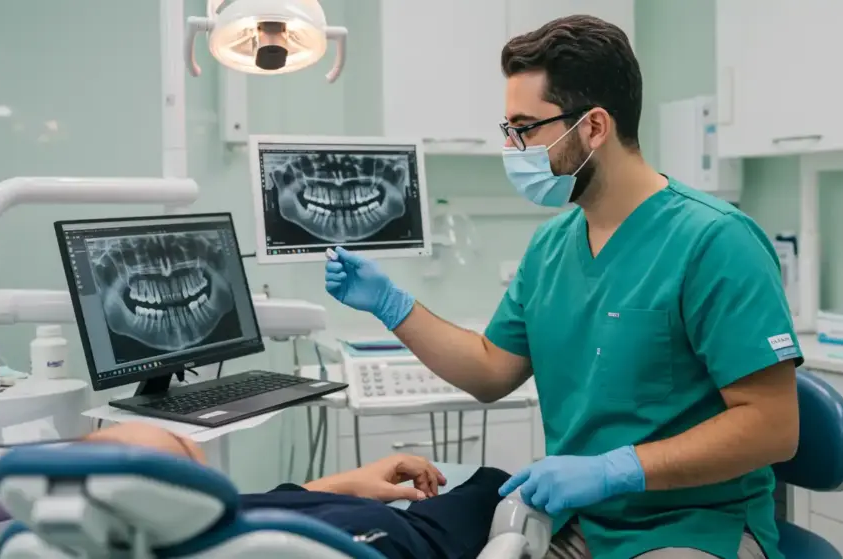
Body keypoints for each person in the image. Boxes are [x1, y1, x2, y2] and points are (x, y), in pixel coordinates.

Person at [323, 14, 801, 559]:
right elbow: (490, 371)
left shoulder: (715, 241)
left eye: (525, 129)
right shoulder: (551, 246)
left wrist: (616, 470)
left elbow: (773, 427)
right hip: (580, 524)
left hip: (694, 527)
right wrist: (392, 306)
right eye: (508, 130)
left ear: (594, 127)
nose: (512, 147)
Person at [0, 422, 510, 559]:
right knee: (494, 482)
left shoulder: (199, 521)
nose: (190, 441)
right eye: (179, 442)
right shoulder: (267, 545)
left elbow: (250, 504)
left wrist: (348, 482)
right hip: (403, 533)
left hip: (331, 510)